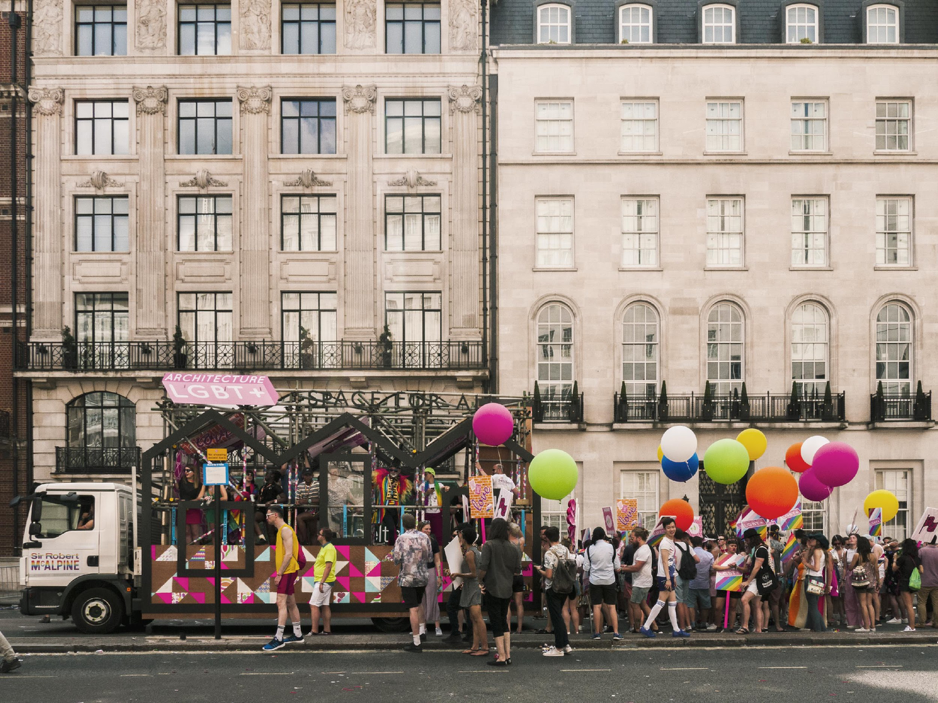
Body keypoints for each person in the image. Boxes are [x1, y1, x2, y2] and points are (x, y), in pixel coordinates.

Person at [478, 518, 522, 666]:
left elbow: (483, 568)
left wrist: (479, 581)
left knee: (496, 621)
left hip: (492, 587)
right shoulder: (514, 547)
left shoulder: (489, 545)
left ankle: (501, 656)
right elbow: (517, 570)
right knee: (503, 621)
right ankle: (508, 655)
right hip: (507, 588)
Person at [640, 518, 690, 638]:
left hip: (669, 575)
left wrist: (673, 577)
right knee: (661, 602)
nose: (672, 529)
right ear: (664, 529)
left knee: (672, 603)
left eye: (673, 527)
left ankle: (676, 629)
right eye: (669, 528)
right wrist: (668, 578)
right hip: (664, 576)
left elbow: (671, 562)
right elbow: (664, 561)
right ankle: (646, 627)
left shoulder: (670, 541)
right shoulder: (665, 543)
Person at [262, 505, 304, 651]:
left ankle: (278, 638)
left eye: (268, 515)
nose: (267, 518)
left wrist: (279, 573)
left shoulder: (285, 530)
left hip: (287, 571)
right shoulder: (282, 530)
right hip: (288, 570)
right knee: (291, 602)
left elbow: (288, 554)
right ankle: (298, 634)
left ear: (276, 515)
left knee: (281, 602)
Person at [392, 513, 432, 653]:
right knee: (419, 603)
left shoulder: (401, 539)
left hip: (408, 577)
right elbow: (429, 556)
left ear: (403, 525)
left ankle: (416, 642)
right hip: (422, 576)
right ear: (415, 523)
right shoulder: (425, 537)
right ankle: (422, 631)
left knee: (412, 608)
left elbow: (396, 559)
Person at [534, 526, 573, 657]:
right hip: (565, 586)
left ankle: (559, 647)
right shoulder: (565, 549)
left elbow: (549, 575)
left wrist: (539, 570)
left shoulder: (549, 553)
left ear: (547, 538)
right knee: (559, 615)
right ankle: (566, 644)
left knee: (556, 618)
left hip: (553, 588)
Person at [451, 527, 487, 656]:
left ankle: (485, 647)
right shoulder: (472, 551)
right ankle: (475, 646)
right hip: (471, 586)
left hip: (473, 587)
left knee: (477, 618)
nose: (459, 537)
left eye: (460, 535)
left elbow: (473, 574)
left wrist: (458, 574)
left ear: (464, 538)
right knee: (473, 618)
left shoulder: (470, 553)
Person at [584, 526, 622, 640]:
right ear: (604, 535)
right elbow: (617, 566)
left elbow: (586, 567)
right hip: (609, 580)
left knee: (596, 606)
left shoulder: (589, 549)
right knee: (611, 606)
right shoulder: (611, 547)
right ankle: (616, 632)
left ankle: (597, 633)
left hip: (595, 580)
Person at [621, 527, 653, 634]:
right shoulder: (642, 549)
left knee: (634, 604)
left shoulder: (643, 550)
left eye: (632, 537)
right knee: (643, 604)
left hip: (641, 582)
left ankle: (638, 628)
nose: (630, 539)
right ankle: (655, 626)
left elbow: (637, 567)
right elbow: (636, 566)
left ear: (639, 538)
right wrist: (627, 566)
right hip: (642, 581)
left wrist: (623, 569)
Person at [738, 528, 770, 635]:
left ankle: (745, 626)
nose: (746, 542)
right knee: (757, 605)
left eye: (746, 540)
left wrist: (748, 582)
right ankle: (758, 629)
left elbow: (756, 568)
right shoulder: (759, 549)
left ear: (751, 539)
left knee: (744, 600)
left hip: (757, 580)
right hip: (760, 580)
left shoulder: (760, 550)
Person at [373, 462, 412, 545]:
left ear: (399, 471)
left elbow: (410, 492)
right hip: (385, 509)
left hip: (396, 510)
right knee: (391, 528)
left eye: (395, 470)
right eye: (391, 470)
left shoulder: (401, 482)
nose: (393, 472)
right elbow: (372, 481)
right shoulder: (382, 479)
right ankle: (392, 546)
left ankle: (392, 544)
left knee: (395, 528)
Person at [443, 522, 470, 642]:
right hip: (460, 581)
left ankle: (456, 633)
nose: (455, 536)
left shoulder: (466, 547)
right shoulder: (465, 546)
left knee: (451, 606)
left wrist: (459, 575)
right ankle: (469, 634)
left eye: (457, 533)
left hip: (462, 582)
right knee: (466, 609)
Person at [309, 527, 336, 636]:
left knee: (313, 605)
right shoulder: (325, 547)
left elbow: (328, 566)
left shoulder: (329, 548)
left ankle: (314, 631)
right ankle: (326, 630)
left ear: (324, 536)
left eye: (319, 534)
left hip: (323, 581)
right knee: (325, 605)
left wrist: (321, 582)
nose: (317, 536)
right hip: (324, 581)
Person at [418, 521, 443, 638]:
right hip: (419, 571)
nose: (428, 531)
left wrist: (439, 575)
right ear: (420, 529)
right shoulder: (416, 541)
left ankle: (437, 626)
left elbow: (437, 559)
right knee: (421, 599)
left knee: (432, 597)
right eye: (426, 529)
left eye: (429, 529)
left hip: (431, 570)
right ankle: (423, 628)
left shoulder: (433, 541)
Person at [849, 535, 879, 633]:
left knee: (863, 604)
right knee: (870, 604)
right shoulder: (873, 556)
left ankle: (866, 626)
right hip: (871, 582)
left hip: (861, 582)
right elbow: (876, 570)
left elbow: (850, 567)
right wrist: (877, 581)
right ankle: (873, 626)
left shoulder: (857, 555)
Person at [893, 538, 921, 632]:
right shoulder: (917, 559)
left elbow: (894, 569)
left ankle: (911, 626)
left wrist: (894, 560)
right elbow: (921, 570)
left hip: (905, 582)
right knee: (910, 605)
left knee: (908, 605)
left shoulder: (903, 558)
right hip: (913, 583)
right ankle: (911, 626)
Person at [673, 529, 699, 631]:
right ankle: (688, 625)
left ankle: (682, 627)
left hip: (677, 575)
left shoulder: (673, 547)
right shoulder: (688, 546)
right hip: (687, 575)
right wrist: (689, 565)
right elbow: (697, 559)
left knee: (679, 602)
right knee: (685, 601)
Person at [688, 535, 714, 630]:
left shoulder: (690, 553)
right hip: (704, 583)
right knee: (705, 604)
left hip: (691, 583)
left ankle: (693, 623)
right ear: (702, 543)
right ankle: (703, 622)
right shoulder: (709, 555)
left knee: (690, 604)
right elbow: (712, 569)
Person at [256, 469, 286, 544]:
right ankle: (261, 537)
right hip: (262, 510)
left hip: (270, 510)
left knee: (270, 532)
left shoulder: (276, 487)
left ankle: (273, 550)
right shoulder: (263, 487)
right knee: (253, 518)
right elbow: (259, 498)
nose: (265, 476)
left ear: (272, 476)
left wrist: (272, 501)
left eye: (267, 474)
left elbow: (284, 498)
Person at [178, 464, 206, 544]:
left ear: (194, 472)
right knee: (186, 532)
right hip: (184, 509)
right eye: (185, 470)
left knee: (195, 532)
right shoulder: (182, 482)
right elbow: (179, 490)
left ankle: (196, 551)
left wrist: (189, 502)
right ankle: (189, 551)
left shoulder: (198, 484)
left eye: (188, 470)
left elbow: (198, 498)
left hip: (194, 509)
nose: (186, 472)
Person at [508, 522, 526, 634]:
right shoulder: (521, 542)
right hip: (519, 575)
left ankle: (508, 628)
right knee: (519, 604)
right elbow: (522, 535)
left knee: (507, 604)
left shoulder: (506, 543)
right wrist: (517, 529)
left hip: (508, 576)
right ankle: (519, 628)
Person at [295, 467, 320, 545]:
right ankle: (312, 548)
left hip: (316, 510)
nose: (308, 477)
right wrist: (298, 502)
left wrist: (307, 501)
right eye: (306, 475)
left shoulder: (318, 485)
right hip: (306, 511)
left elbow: (321, 499)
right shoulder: (300, 486)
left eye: (309, 475)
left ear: (312, 475)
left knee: (299, 517)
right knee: (313, 532)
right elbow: (296, 499)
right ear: (303, 476)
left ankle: (304, 540)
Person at [917, 540, 938, 629]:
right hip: (936, 581)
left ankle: (922, 622)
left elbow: (917, 563)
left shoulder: (922, 551)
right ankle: (936, 622)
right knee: (936, 603)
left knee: (921, 602)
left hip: (924, 580)